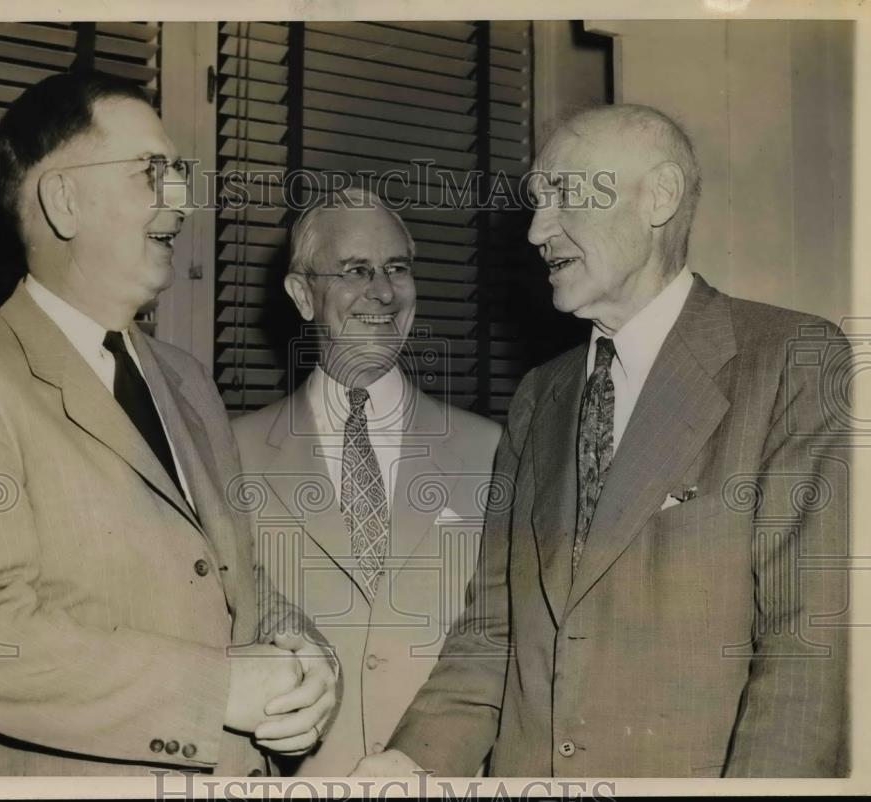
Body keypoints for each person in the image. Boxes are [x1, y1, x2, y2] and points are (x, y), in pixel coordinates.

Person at [354, 104, 851, 778]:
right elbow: (495, 630)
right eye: (535, 202)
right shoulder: (539, 395)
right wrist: (408, 766)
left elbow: (807, 644)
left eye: (564, 193)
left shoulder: (793, 359)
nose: (536, 229)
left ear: (660, 197)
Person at [0, 71, 337, 776]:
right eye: (152, 172)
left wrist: (304, 660)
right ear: (65, 200)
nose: (182, 198)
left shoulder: (188, 380)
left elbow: (234, 577)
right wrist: (223, 689)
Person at [231, 189, 502, 775]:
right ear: (303, 295)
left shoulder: (496, 451)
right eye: (356, 270)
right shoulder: (229, 455)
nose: (383, 291)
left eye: (397, 268)